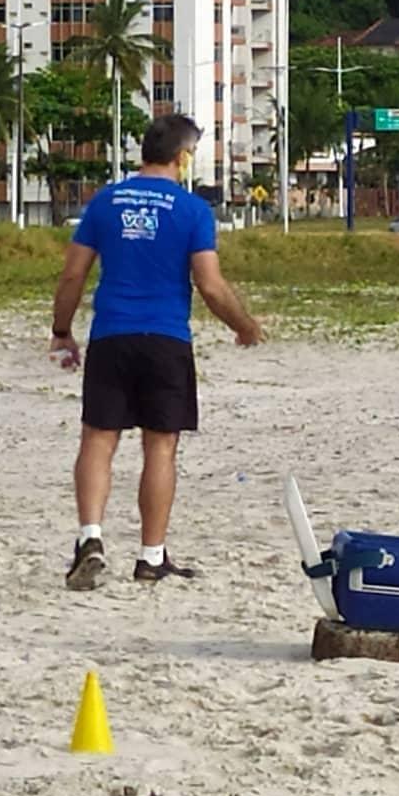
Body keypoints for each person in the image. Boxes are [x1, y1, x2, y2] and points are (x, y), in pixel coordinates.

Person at [51, 114, 263, 590]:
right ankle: (151, 555)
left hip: (112, 334)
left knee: (99, 439)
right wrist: (244, 325)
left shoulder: (106, 201)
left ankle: (90, 537)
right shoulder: (191, 210)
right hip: (166, 337)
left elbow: (72, 275)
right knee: (160, 445)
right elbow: (209, 284)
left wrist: (62, 329)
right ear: (182, 157)